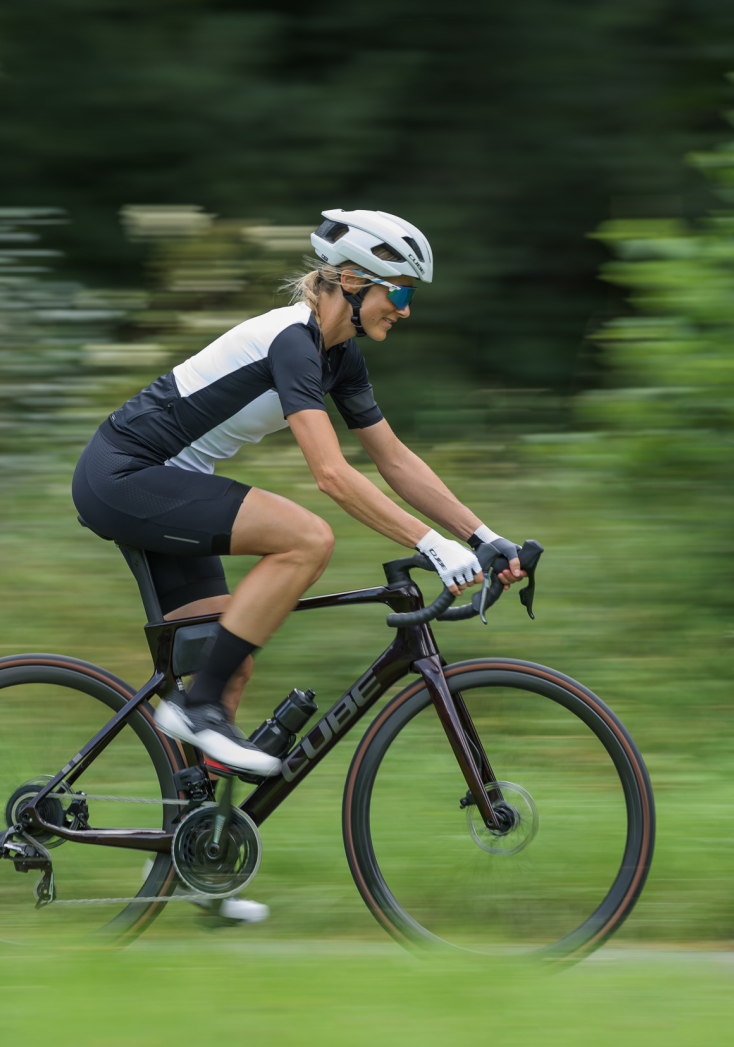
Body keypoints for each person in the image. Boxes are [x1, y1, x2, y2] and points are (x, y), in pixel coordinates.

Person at [72, 208, 528, 782]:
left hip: (163, 481)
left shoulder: (339, 357)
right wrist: (431, 544)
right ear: (356, 281)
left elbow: (394, 461)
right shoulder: (292, 340)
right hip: (124, 476)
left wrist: (483, 538)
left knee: (224, 664)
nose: (407, 310)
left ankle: (196, 843)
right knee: (307, 539)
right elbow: (332, 475)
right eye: (401, 291)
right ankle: (194, 710)